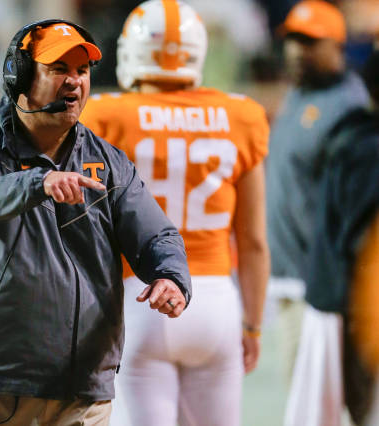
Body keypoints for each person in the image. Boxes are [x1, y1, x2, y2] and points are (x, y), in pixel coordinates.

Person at [0, 19, 192, 426]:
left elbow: (157, 234)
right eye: (59, 69)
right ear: (20, 76)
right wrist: (38, 182)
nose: (75, 82)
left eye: (82, 71)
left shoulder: (110, 162)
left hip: (77, 395)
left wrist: (170, 275)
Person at [80, 1, 270, 425]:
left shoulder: (107, 115)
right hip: (217, 304)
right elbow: (254, 239)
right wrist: (253, 325)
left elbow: (85, 230)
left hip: (140, 297)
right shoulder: (241, 115)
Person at [263, 1, 370, 425]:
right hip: (292, 282)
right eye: (291, 40)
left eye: (309, 42)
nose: (295, 51)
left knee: (334, 409)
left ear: (338, 46)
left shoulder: (349, 108)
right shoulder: (298, 94)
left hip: (325, 292)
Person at [303, 49, 379, 426]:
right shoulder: (370, 146)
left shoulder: (352, 129)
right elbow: (361, 235)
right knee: (363, 407)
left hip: (336, 293)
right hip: (358, 300)